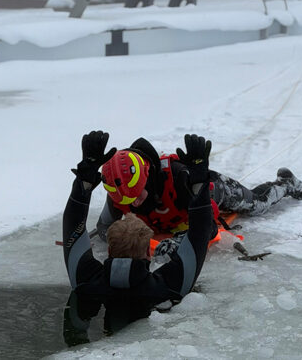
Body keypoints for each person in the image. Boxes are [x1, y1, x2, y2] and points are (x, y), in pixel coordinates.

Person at [62, 131, 215, 312]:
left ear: (109, 250)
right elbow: (203, 230)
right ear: (148, 255)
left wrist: (84, 178)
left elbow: (72, 221)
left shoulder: (85, 281)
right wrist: (199, 183)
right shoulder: (169, 286)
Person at [94, 132, 302, 256]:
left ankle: (286, 183)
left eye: (139, 195)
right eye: (129, 201)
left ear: (147, 177)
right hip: (168, 219)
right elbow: (104, 227)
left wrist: (175, 243)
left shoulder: (180, 177)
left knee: (257, 205)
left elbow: (208, 227)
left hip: (209, 191)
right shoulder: (120, 189)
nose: (136, 203)